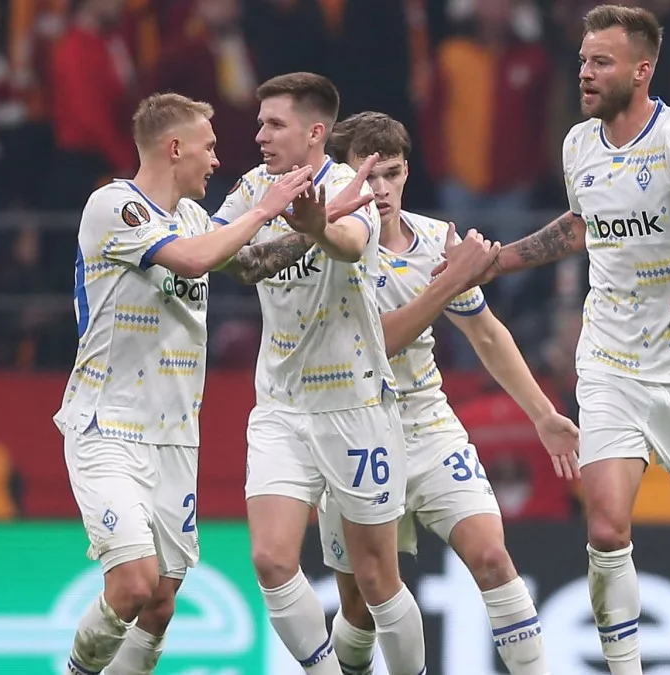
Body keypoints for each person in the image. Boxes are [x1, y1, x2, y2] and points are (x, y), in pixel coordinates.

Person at [438, 6, 670, 675]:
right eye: (582, 61)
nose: (586, 74)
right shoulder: (579, 144)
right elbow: (582, 226)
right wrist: (496, 261)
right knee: (604, 526)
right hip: (610, 358)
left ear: (641, 70)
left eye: (601, 62)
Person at [53, 91, 369, 675]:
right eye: (209, 146)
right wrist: (264, 209)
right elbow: (193, 261)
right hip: (108, 429)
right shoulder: (114, 205)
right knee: (133, 583)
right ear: (175, 148)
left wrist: (322, 224)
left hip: (175, 436)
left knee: (159, 603)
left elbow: (247, 265)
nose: (218, 160)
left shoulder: (195, 219)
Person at [211, 72, 498, 675]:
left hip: (356, 408)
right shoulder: (254, 188)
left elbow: (348, 241)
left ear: (314, 132)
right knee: (270, 560)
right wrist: (264, 215)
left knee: (375, 581)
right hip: (281, 406)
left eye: (274, 124)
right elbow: (224, 256)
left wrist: (318, 224)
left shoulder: (354, 186)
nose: (260, 135)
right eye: (261, 124)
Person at [316, 111, 581, 675]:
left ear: (406, 172)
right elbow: (376, 344)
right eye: (366, 176)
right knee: (360, 607)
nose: (379, 189)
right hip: (353, 433)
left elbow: (486, 333)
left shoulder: (438, 241)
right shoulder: (330, 250)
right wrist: (451, 280)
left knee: (492, 558)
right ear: (342, 177)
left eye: (390, 173)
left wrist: (543, 414)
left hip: (428, 427)